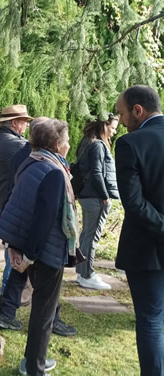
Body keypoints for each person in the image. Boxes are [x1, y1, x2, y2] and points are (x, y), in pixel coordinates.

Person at [0, 118, 78, 376]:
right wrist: (28, 255)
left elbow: (16, 204)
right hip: (45, 251)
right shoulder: (53, 171)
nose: (68, 144)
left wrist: (13, 244)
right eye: (66, 140)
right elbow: (43, 217)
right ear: (56, 143)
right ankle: (34, 368)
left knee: (41, 309)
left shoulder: (30, 161)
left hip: (30, 247)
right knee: (44, 312)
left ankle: (32, 361)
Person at [114, 85, 164, 375]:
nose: (120, 121)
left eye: (121, 114)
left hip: (146, 249)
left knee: (150, 319)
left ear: (138, 110)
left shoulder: (130, 143)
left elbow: (133, 203)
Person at [0, 105, 33, 312]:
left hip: (2, 197)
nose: (26, 126)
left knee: (11, 246)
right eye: (24, 121)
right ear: (15, 123)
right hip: (11, 200)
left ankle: (11, 291)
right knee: (14, 250)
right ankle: (8, 294)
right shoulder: (16, 144)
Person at [75, 114, 119, 290]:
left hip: (86, 196)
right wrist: (105, 196)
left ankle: (81, 272)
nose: (114, 132)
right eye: (113, 127)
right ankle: (87, 275)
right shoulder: (98, 145)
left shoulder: (86, 141)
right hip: (96, 197)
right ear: (103, 126)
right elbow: (97, 173)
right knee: (91, 237)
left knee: (86, 235)